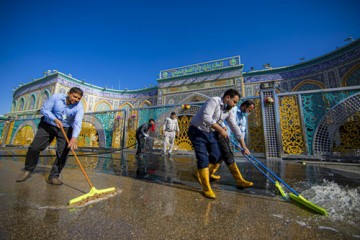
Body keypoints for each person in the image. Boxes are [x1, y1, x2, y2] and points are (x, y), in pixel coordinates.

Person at [16, 87, 84, 185]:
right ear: (69, 93)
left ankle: (54, 176)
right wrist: (55, 119)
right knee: (34, 148)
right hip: (48, 124)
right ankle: (28, 170)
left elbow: (77, 122)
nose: (76, 100)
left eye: (78, 98)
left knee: (63, 152)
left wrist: (74, 138)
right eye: (74, 96)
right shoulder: (56, 97)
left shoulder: (79, 107)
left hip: (65, 128)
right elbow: (44, 110)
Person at [188, 89, 244, 199]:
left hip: (210, 132)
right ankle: (206, 188)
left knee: (217, 155)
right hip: (197, 131)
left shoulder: (228, 110)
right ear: (228, 97)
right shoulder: (214, 101)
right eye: (234, 101)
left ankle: (198, 172)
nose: (235, 104)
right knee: (203, 157)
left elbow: (235, 127)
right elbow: (206, 118)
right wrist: (221, 130)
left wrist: (243, 145)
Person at [209, 100, 255, 188]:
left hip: (227, 137)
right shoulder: (232, 109)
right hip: (220, 133)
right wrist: (223, 127)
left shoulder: (243, 119)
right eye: (250, 109)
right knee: (228, 154)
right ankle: (239, 180)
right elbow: (219, 118)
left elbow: (240, 132)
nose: (250, 112)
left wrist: (243, 147)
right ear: (244, 106)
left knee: (221, 156)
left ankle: (208, 173)